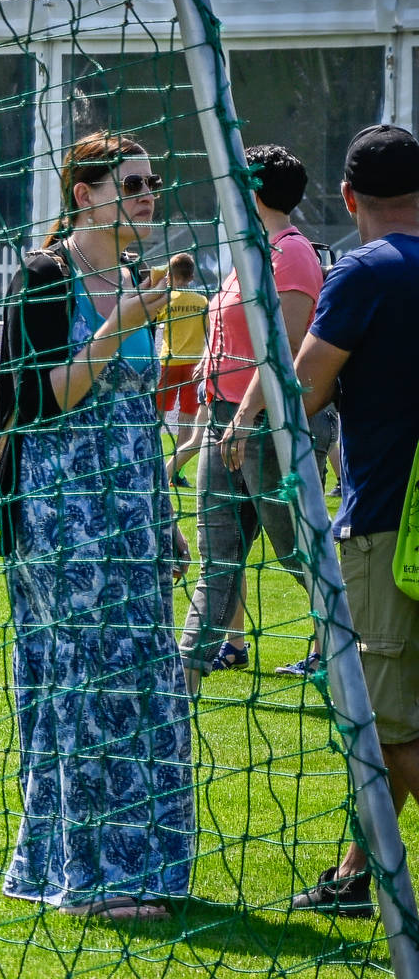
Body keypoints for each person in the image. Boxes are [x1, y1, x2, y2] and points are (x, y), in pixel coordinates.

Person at [0, 132, 192, 919]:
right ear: (85, 193)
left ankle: (146, 868)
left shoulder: (138, 279)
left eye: (152, 182)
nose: (147, 195)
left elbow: (140, 411)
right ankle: (88, 878)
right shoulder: (47, 276)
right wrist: (115, 328)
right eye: (131, 183)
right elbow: (43, 402)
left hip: (134, 515)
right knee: (82, 687)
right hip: (62, 513)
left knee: (147, 686)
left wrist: (165, 519)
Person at [285, 124, 419, 918]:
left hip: (387, 519)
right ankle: (352, 875)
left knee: (387, 722)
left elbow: (302, 391)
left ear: (347, 197)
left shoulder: (362, 272)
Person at [182, 147, 326, 679]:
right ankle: (186, 672)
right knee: (216, 558)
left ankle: (344, 647)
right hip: (225, 421)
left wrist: (243, 418)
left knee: (297, 553)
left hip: (267, 428)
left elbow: (286, 349)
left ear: (253, 191)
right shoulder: (248, 251)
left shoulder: (290, 254)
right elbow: (235, 332)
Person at [152, 253, 209, 440]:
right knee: (187, 419)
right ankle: (177, 466)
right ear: (192, 277)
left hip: (168, 362)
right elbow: (211, 331)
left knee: (158, 415)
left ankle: (155, 459)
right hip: (194, 364)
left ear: (170, 276)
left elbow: (154, 320)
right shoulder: (202, 302)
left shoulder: (165, 300)